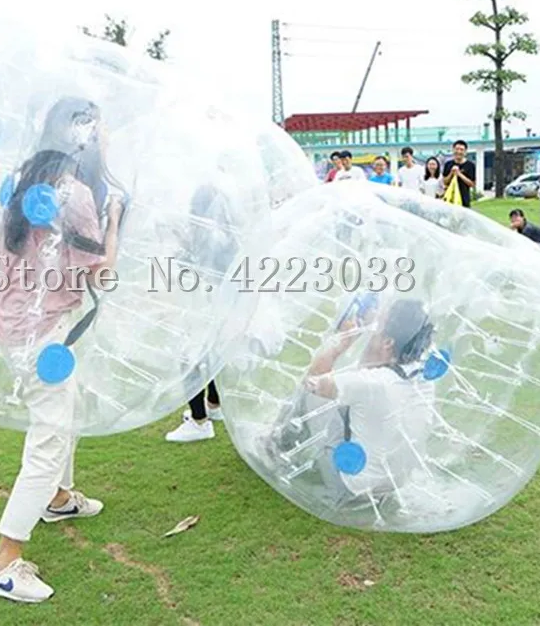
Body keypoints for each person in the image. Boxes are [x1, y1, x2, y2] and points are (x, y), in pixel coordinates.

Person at [0, 100, 124, 604]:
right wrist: (114, 220)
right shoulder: (77, 194)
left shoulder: (26, 180)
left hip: (19, 324)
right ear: (83, 139)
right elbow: (101, 272)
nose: (108, 141)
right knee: (48, 439)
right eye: (102, 132)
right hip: (42, 335)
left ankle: (59, 499)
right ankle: (3, 563)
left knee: (69, 409)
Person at [264, 297, 436, 503]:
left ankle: (273, 446)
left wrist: (343, 340)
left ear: (389, 342)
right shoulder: (422, 377)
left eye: (378, 324)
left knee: (309, 392)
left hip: (350, 487)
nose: (373, 325)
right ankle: (278, 442)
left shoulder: (374, 383)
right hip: (393, 484)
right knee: (350, 404)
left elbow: (314, 380)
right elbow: (366, 376)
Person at [166, 184, 238, 443]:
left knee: (190, 359)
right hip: (221, 305)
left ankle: (199, 421)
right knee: (211, 356)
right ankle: (214, 405)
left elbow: (194, 267)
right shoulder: (228, 232)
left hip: (203, 305)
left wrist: (181, 245)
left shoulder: (205, 235)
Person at [442, 140, 475, 208]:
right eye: (457, 149)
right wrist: (451, 173)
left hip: (464, 200)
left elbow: (472, 184)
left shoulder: (470, 165)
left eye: (461, 150)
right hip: (450, 199)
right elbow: (445, 181)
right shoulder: (448, 164)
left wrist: (459, 174)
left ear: (465, 152)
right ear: (453, 150)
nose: (459, 152)